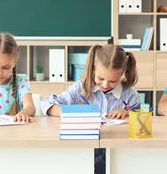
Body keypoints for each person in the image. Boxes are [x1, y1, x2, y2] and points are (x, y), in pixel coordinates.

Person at [41, 44, 139, 174]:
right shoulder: (81, 88)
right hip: (83, 152)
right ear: (93, 68)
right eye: (100, 78)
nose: (105, 85)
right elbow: (47, 104)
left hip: (118, 154)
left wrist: (127, 112)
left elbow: (141, 118)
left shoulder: (130, 95)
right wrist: (75, 113)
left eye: (112, 81)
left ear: (122, 73)